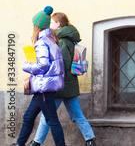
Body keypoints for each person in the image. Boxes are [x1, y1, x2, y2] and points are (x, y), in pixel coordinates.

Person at [29, 12, 97, 146]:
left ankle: (36, 143)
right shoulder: (66, 39)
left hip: (59, 85)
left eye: (52, 22)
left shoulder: (63, 41)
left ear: (58, 24)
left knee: (47, 115)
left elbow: (63, 64)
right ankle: (91, 141)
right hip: (68, 85)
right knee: (77, 115)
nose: (49, 25)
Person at [12, 6, 66, 146]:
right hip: (43, 86)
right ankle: (20, 143)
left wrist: (27, 66)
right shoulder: (51, 40)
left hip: (44, 87)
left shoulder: (42, 42)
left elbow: (42, 65)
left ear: (37, 26)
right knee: (28, 117)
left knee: (52, 120)